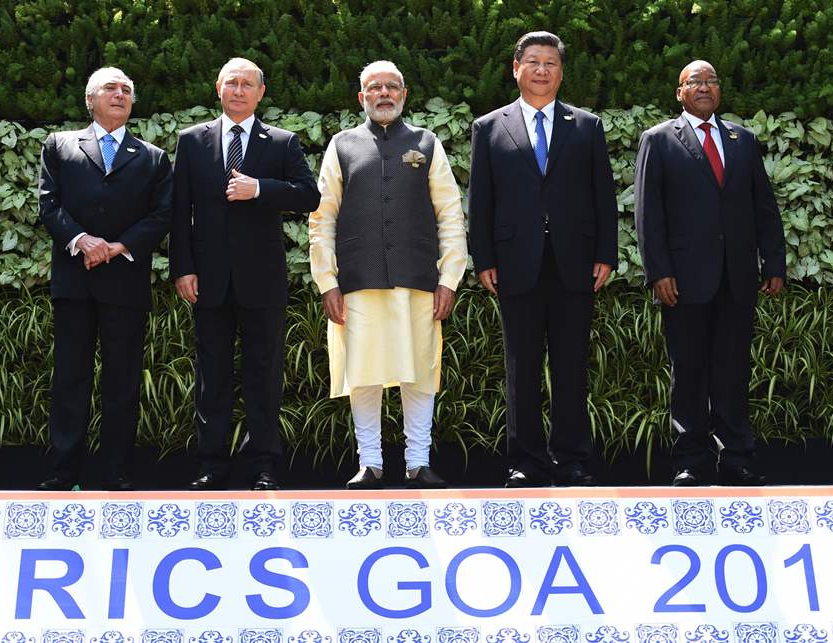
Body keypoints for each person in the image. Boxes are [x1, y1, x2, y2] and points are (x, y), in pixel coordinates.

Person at [468, 32, 618, 488]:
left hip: (575, 261)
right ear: (515, 68)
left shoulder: (586, 125)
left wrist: (605, 254)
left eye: (550, 62)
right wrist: (484, 258)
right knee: (522, 366)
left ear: (560, 70)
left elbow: (603, 196)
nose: (541, 70)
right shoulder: (489, 127)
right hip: (515, 262)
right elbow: (482, 200)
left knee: (572, 365)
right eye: (532, 62)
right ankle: (526, 461)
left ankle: (571, 458)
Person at [309, 60, 467, 489]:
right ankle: (371, 463)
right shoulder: (341, 145)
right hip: (357, 281)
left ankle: (418, 461)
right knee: (364, 372)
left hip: (418, 279)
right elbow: (322, 217)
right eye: (374, 88)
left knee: (419, 370)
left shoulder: (427, 143)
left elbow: (450, 213)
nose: (383, 94)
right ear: (361, 97)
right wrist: (327, 281)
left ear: (403, 94)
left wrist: (449, 278)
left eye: (391, 87)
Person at [634, 60, 786, 486]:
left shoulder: (742, 139)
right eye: (695, 82)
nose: (704, 87)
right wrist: (658, 271)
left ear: (719, 91)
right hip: (683, 279)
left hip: (737, 276)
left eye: (711, 81)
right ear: (679, 92)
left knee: (733, 370)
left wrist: (773, 261)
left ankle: (736, 457)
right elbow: (649, 214)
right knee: (689, 371)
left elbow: (764, 207)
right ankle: (691, 460)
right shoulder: (659, 140)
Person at [170, 58, 320, 491]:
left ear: (261, 92)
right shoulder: (192, 141)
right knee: (211, 376)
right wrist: (183, 268)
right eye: (231, 83)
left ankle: (263, 466)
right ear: (218, 88)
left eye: (247, 84)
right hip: (208, 279)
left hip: (262, 279)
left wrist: (261, 190)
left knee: (264, 375)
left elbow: (309, 195)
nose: (238, 90)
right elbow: (180, 211)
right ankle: (211, 465)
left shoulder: (282, 142)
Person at [36, 67, 173, 491]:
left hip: (125, 283)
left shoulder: (152, 156)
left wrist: (119, 246)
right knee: (70, 379)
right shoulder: (59, 145)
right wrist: (82, 240)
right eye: (111, 88)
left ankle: (115, 472)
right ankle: (64, 473)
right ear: (90, 99)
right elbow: (48, 203)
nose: (120, 95)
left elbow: (163, 213)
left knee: (122, 382)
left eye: (127, 90)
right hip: (75, 282)